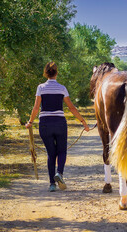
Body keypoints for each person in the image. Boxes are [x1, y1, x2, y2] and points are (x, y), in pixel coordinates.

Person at [25, 62, 89, 192]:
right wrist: (83, 121)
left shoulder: (41, 88)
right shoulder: (62, 88)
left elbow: (36, 107)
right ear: (56, 73)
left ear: (45, 73)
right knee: (62, 151)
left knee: (51, 154)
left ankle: (51, 184)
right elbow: (71, 107)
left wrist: (30, 122)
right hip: (60, 123)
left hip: (45, 124)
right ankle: (59, 173)